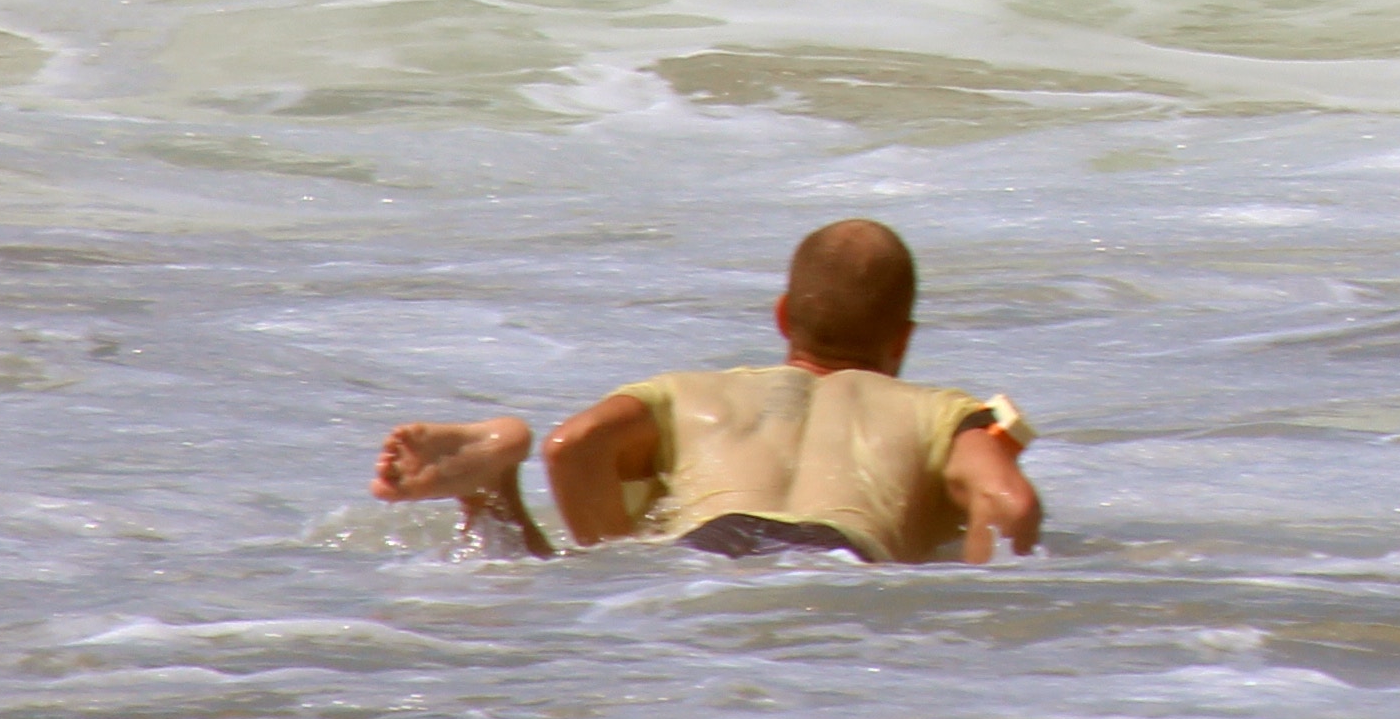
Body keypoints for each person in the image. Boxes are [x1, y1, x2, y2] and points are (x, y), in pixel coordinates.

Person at [368, 216, 1042, 563]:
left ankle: (492, 488)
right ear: (901, 339)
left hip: (704, 551)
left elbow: (574, 445)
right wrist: (967, 611)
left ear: (782, 317)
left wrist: (622, 558)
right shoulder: (940, 413)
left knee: (558, 579)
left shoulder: (691, 392)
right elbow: (1008, 505)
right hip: (834, 561)